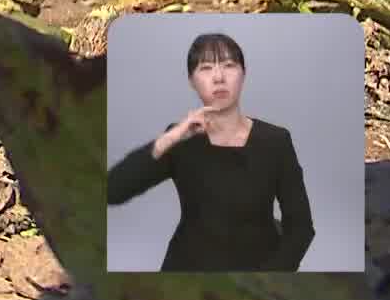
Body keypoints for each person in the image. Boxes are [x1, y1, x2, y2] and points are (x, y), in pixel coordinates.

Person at [106, 32, 314, 271]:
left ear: (243, 74)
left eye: (229, 65)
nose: (218, 77)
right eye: (205, 68)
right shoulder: (181, 140)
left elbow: (301, 227)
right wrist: (171, 138)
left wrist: (273, 279)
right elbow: (114, 189)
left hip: (260, 278)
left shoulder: (275, 140)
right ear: (191, 80)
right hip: (188, 277)